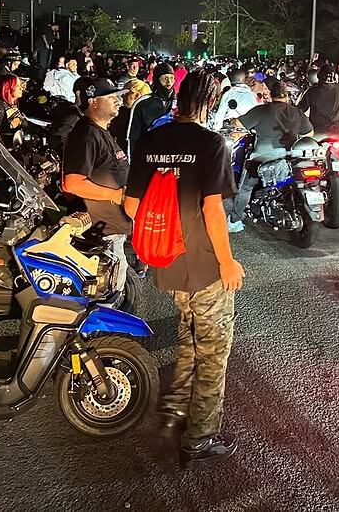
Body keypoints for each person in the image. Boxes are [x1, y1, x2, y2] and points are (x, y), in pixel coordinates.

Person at [124, 70, 243, 465]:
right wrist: (227, 262)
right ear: (210, 101)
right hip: (204, 265)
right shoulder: (211, 143)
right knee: (213, 351)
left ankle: (176, 405)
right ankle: (200, 436)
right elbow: (213, 210)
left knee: (189, 334)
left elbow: (132, 206)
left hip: (168, 260)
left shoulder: (151, 140)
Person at [227, 79, 313, 232]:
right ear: (287, 96)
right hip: (290, 156)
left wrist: (232, 121)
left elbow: (238, 124)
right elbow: (310, 133)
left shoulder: (262, 110)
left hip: (262, 157)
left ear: (271, 95)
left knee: (245, 187)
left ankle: (234, 221)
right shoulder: (296, 112)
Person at [62, 78, 132, 238]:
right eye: (110, 97)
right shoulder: (86, 135)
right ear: (93, 102)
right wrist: (115, 195)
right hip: (96, 233)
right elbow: (73, 183)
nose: (117, 101)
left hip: (112, 229)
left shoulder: (100, 131)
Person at [298, 65, 339, 135]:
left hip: (317, 130)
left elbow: (300, 109)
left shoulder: (311, 91)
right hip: (335, 129)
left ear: (319, 76)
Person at [0, 73, 28, 143]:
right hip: (5, 146)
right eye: (17, 86)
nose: (21, 88)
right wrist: (2, 147)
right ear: (7, 88)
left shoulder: (13, 104)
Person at [136, 62, 176, 132]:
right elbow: (133, 134)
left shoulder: (179, 102)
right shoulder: (143, 104)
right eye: (165, 78)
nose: (169, 82)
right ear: (157, 80)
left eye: (172, 78)